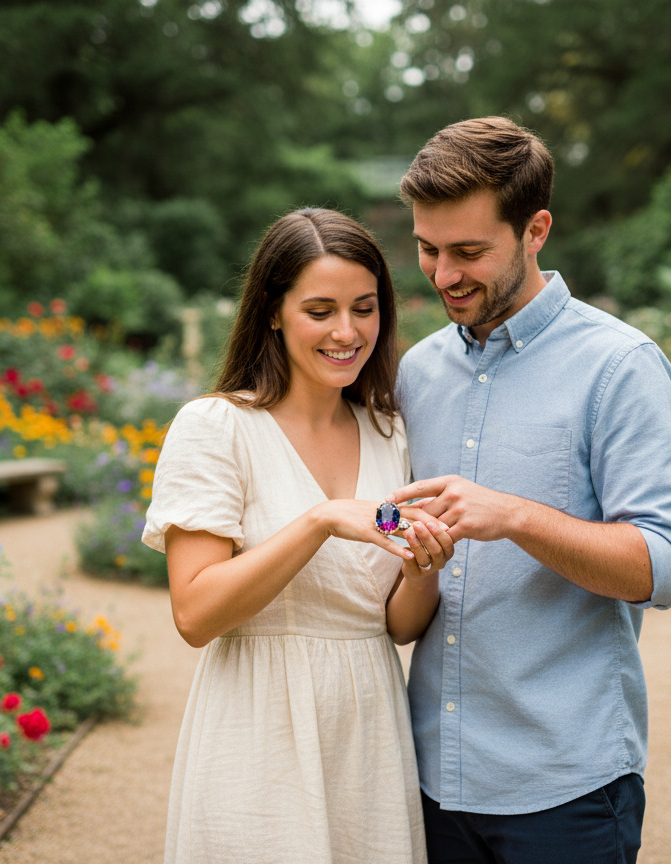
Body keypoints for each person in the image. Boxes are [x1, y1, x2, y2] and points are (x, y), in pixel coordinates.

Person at [388, 117, 671, 863]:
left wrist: (517, 516)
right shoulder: (415, 373)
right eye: (429, 249)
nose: (443, 274)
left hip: (568, 785)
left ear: (536, 231)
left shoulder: (621, 367)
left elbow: (666, 566)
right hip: (431, 774)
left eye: (469, 252)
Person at [142, 207, 453, 864]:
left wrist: (423, 566)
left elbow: (395, 624)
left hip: (368, 731)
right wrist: (318, 522)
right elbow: (195, 614)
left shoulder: (389, 433)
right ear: (273, 312)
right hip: (256, 733)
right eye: (320, 310)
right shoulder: (215, 428)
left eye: (364, 309)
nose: (347, 332)